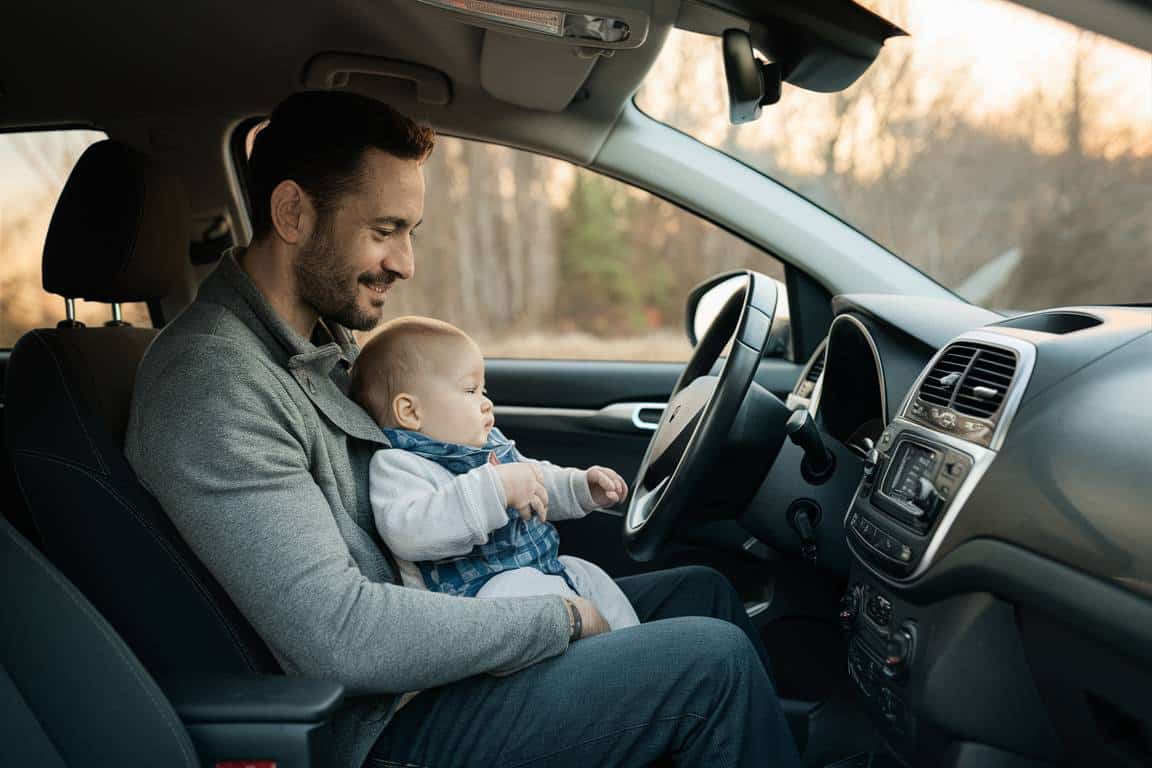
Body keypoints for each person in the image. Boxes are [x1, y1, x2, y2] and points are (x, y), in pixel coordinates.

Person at [126, 90, 802, 768]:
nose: (405, 263)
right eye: (384, 230)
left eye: (408, 232)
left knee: (705, 596)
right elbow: (338, 635)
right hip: (391, 719)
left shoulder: (316, 345)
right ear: (293, 213)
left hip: (432, 646)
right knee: (712, 665)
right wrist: (557, 619)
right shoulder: (213, 383)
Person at [350, 315, 641, 631]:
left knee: (589, 575)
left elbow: (537, 480)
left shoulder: (490, 446)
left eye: (483, 390)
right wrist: (498, 488)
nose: (487, 403)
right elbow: (409, 532)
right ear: (411, 412)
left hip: (540, 571)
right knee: (531, 592)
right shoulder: (398, 465)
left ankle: (634, 646)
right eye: (471, 390)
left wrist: (579, 487)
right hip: (475, 607)